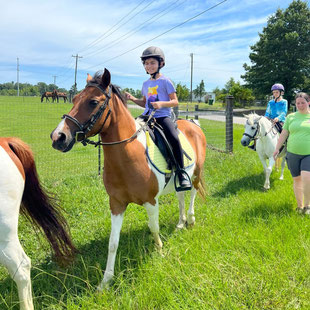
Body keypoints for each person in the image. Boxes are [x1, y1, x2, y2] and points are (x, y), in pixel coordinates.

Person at [125, 46, 191, 191]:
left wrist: (161, 104)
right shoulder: (145, 84)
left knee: (173, 137)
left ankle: (181, 172)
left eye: (152, 63)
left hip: (162, 117)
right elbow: (145, 103)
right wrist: (132, 98)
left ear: (160, 63)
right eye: (146, 63)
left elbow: (175, 101)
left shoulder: (166, 81)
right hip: (147, 117)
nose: (149, 66)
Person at [273, 92, 310, 214]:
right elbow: (284, 134)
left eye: (303, 103)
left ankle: (307, 206)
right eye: (298, 103)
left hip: (308, 154)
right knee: (297, 179)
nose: (300, 105)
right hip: (292, 153)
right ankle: (299, 206)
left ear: (308, 102)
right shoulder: (291, 117)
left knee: (306, 178)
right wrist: (277, 148)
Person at [249, 83, 288, 150]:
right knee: (259, 129)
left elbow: (284, 112)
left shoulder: (284, 102)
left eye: (277, 92)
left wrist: (278, 118)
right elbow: (267, 112)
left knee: (283, 131)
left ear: (281, 93)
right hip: (271, 120)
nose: (275, 94)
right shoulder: (270, 102)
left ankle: (287, 144)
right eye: (273, 92)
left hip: (280, 120)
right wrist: (264, 118)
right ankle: (255, 144)